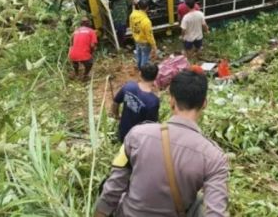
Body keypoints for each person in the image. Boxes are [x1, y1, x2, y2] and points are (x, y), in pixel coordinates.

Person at [94, 69, 229, 217]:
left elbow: (113, 188)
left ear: (171, 101)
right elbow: (216, 212)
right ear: (204, 104)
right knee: (198, 202)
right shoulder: (214, 158)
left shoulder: (137, 135)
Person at [111, 63, 160, 143]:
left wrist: (116, 116)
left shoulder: (128, 86)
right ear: (156, 77)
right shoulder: (153, 101)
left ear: (140, 73)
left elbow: (115, 103)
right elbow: (151, 125)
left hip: (123, 131)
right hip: (137, 140)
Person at [129, 0, 157, 69]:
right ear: (147, 8)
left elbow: (131, 26)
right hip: (145, 42)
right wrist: (154, 46)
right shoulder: (146, 21)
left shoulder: (132, 15)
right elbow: (149, 36)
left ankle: (138, 66)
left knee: (138, 54)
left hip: (137, 40)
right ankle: (143, 69)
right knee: (145, 56)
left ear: (138, 6)